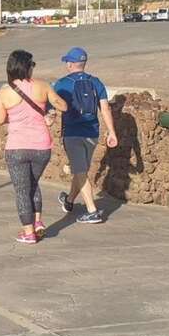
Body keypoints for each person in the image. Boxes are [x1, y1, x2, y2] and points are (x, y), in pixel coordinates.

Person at [0, 50, 68, 244]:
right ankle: (37, 222)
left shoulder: (4, 92)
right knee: (33, 184)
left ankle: (28, 233)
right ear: (27, 67)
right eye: (32, 65)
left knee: (22, 190)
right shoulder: (43, 86)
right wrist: (49, 112)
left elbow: (0, 119)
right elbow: (63, 106)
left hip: (17, 147)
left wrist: (17, 114)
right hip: (41, 147)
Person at [54, 47, 118, 224]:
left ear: (70, 64)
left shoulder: (61, 84)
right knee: (80, 170)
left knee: (80, 171)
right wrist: (112, 132)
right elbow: (105, 108)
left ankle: (92, 211)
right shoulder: (96, 82)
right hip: (92, 132)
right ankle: (69, 201)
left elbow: (52, 106)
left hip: (73, 133)